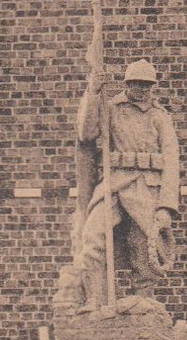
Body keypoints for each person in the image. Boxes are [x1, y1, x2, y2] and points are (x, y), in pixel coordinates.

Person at [68, 58, 180, 305]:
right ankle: (95, 301)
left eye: (147, 85)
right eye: (137, 84)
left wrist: (166, 207)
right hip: (114, 184)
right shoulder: (111, 108)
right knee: (93, 237)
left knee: (144, 251)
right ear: (128, 84)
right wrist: (93, 92)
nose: (142, 90)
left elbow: (172, 162)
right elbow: (86, 134)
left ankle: (144, 305)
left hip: (147, 189)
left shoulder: (160, 116)